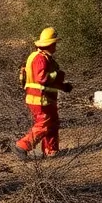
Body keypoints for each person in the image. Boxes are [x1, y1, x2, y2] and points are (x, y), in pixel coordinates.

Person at [13, 27, 73, 159]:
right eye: (54, 43)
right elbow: (42, 79)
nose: (56, 46)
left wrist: (64, 86)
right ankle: (22, 146)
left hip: (46, 98)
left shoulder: (44, 58)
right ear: (50, 44)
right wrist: (57, 75)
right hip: (40, 99)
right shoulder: (40, 58)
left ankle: (51, 151)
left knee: (52, 124)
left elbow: (49, 81)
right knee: (44, 124)